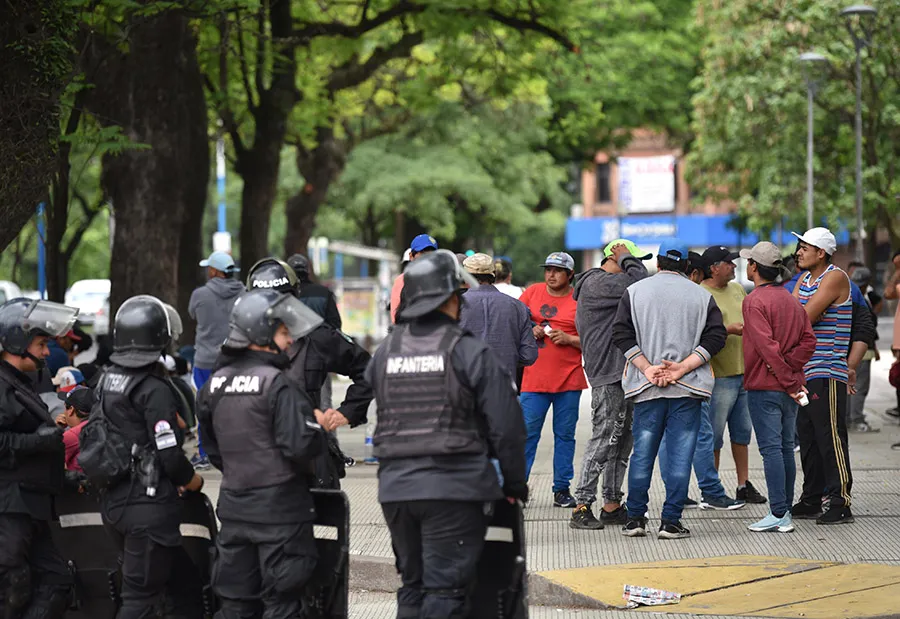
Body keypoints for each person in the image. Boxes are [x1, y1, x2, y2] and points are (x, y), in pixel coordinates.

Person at [367, 249, 528, 618]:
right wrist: (514, 484)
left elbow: (371, 398)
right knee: (445, 589)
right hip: (453, 489)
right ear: (450, 299)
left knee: (412, 585)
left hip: (396, 490)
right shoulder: (468, 351)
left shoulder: (386, 351)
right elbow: (507, 427)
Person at [197, 288, 326, 619]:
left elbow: (212, 448)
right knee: (282, 605)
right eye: (283, 333)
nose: (288, 342)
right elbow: (302, 446)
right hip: (281, 516)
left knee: (236, 605)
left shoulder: (215, 384)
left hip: (235, 511)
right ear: (262, 333)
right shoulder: (278, 385)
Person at [95, 295, 206, 618]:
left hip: (115, 502)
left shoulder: (107, 380)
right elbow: (169, 455)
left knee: (183, 585)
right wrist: (194, 480)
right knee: (140, 600)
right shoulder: (154, 387)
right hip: (147, 507)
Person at [612, 241, 727, 540]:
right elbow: (717, 336)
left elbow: (620, 333)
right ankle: (670, 522)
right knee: (680, 456)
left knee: (642, 455)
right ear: (688, 267)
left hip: (646, 386)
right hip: (687, 389)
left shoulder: (635, 292)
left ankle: (635, 518)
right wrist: (683, 367)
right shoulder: (702, 296)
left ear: (659, 264)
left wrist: (647, 368)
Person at [247, 258, 374, 488]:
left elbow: (368, 369)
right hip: (254, 463)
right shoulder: (238, 344)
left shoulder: (317, 336)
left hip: (306, 462)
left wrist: (348, 412)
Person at [0, 298, 79, 619]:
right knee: (12, 585)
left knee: (56, 580)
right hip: (10, 505)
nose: (47, 352)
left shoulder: (19, 382)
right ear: (17, 342)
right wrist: (38, 441)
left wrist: (68, 478)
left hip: (31, 502)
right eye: (42, 343)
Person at [569, 240, 650, 530]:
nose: (631, 264)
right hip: (608, 373)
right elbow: (641, 282)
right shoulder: (597, 283)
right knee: (605, 437)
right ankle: (581, 505)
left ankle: (612, 504)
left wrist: (625, 259)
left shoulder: (606, 286)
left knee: (621, 441)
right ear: (613, 258)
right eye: (627, 260)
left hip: (622, 373)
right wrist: (627, 258)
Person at [740, 242, 817, 533]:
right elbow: (809, 341)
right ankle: (783, 511)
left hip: (765, 386)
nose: (746, 266)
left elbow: (766, 348)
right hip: (789, 386)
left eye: (749, 262)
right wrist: (793, 377)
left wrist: (785, 376)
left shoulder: (753, 302)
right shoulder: (791, 300)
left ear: (756, 268)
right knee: (785, 448)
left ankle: (778, 512)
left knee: (772, 450)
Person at [790, 227, 856, 524]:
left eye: (805, 247)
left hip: (827, 369)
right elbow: (792, 315)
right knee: (808, 435)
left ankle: (841, 501)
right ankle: (812, 498)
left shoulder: (835, 277)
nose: (799, 252)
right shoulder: (805, 279)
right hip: (806, 370)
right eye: (799, 246)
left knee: (829, 435)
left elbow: (802, 317)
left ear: (822, 252)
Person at [699, 245, 767, 504]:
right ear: (714, 267)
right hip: (719, 376)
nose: (734, 266)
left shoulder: (738, 289)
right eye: (728, 262)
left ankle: (742, 484)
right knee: (714, 436)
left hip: (745, 373)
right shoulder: (701, 295)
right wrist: (727, 330)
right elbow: (698, 333)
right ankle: (712, 489)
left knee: (742, 433)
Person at [520, 251, 587, 508]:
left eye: (557, 270)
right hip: (533, 380)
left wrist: (570, 339)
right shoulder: (533, 292)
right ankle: (518, 488)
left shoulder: (579, 300)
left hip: (569, 380)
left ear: (570, 275)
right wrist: (530, 328)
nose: (551, 275)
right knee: (526, 435)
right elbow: (515, 321)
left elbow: (593, 339)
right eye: (548, 269)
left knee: (565, 436)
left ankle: (561, 489)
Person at [188, 250, 244, 470]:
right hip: (234, 358)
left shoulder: (199, 295)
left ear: (213, 271)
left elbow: (193, 314)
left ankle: (205, 454)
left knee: (204, 407)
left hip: (204, 361)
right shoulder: (245, 293)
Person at [458, 252, 537, 380]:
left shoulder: (454, 306)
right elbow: (529, 355)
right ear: (493, 276)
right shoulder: (518, 307)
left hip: (466, 384)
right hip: (504, 384)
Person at [848, 267, 880, 432]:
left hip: (853, 349)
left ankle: (848, 418)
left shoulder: (848, 293)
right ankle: (856, 419)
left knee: (850, 386)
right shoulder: (861, 300)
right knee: (859, 386)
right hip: (862, 350)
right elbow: (867, 328)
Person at [391, 234, 438, 324]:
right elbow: (395, 317)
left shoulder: (440, 279)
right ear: (411, 256)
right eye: (423, 253)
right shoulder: (402, 280)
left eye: (432, 254)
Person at [287, 253, 342, 328]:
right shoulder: (324, 292)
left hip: (293, 338)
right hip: (321, 338)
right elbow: (335, 324)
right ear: (308, 271)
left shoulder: (284, 294)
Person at [55, 386, 95, 473]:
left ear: (71, 410)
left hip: (80, 484)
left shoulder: (71, 435)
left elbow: (50, 465)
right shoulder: (99, 424)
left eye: (65, 408)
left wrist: (56, 430)